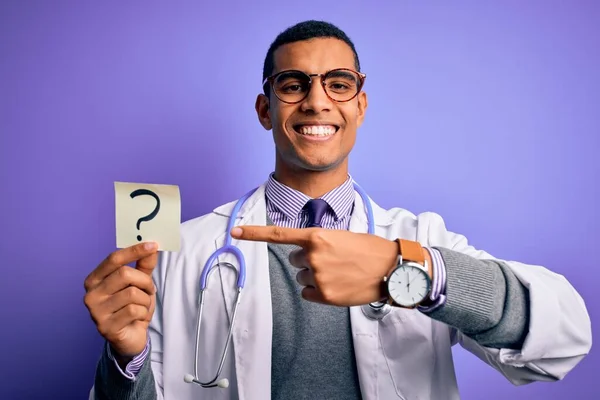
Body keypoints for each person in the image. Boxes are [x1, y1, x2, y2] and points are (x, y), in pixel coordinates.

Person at [84, 20, 592, 400]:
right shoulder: (186, 248)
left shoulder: (415, 238)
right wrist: (127, 360)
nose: (317, 101)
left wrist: (409, 269)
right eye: (293, 84)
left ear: (360, 106)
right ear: (266, 110)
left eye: (339, 83)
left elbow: (563, 338)